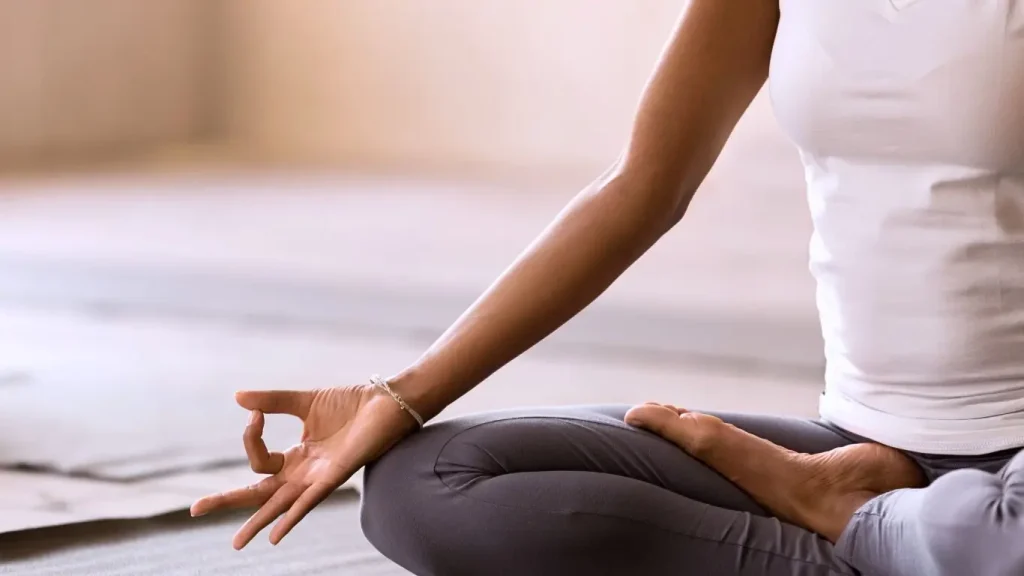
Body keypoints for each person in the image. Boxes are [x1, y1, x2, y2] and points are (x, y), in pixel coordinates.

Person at [189, 1, 1024, 574]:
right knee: (426, 486)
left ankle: (885, 531)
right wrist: (398, 395)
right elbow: (641, 188)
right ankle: (896, 534)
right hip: (860, 446)